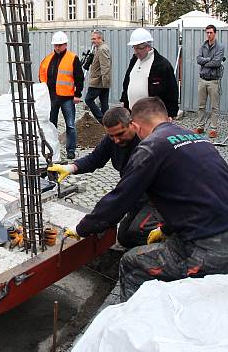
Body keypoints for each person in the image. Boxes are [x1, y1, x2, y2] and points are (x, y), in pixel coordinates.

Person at [70, 97, 228, 301]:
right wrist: (166, 229)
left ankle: (137, 325)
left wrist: (82, 229)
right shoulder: (192, 136)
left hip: (212, 251)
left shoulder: (151, 147)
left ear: (135, 125)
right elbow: (193, 196)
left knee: (132, 264)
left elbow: (120, 199)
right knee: (134, 238)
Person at [47, 106, 162, 248]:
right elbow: (95, 158)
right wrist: (69, 168)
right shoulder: (112, 138)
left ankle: (164, 250)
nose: (116, 140)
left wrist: (83, 228)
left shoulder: (145, 145)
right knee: (124, 237)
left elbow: (121, 196)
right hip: (135, 194)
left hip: (157, 199)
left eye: (120, 134)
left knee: (137, 232)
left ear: (132, 124)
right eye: (111, 136)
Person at [38, 31, 84, 160]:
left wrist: (77, 94)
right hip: (51, 98)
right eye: (56, 45)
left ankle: (71, 150)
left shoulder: (72, 58)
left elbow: (79, 78)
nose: (57, 47)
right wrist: (43, 92)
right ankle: (52, 148)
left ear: (65, 44)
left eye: (60, 45)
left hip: (67, 98)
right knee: (51, 124)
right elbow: (41, 75)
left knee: (70, 125)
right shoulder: (47, 59)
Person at [119, 28, 179, 118]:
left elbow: (172, 91)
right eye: (134, 48)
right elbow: (127, 81)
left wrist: (170, 114)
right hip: (132, 113)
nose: (136, 51)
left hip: (152, 115)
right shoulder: (134, 60)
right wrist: (124, 100)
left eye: (139, 48)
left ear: (148, 47)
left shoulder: (162, 64)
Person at [196, 24, 225, 138]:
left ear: (215, 33)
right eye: (207, 32)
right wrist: (209, 59)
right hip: (202, 79)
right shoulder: (203, 46)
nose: (209, 35)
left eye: (211, 32)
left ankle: (213, 129)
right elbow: (198, 59)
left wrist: (205, 62)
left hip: (214, 81)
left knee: (214, 106)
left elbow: (217, 63)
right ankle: (200, 127)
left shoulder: (220, 47)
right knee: (201, 106)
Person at [83, 30, 111, 122]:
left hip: (98, 82)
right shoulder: (99, 48)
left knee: (88, 100)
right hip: (102, 81)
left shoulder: (102, 49)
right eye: (92, 39)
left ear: (100, 38)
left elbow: (105, 67)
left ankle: (101, 120)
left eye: (94, 39)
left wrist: (105, 83)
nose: (92, 41)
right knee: (104, 104)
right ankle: (107, 123)